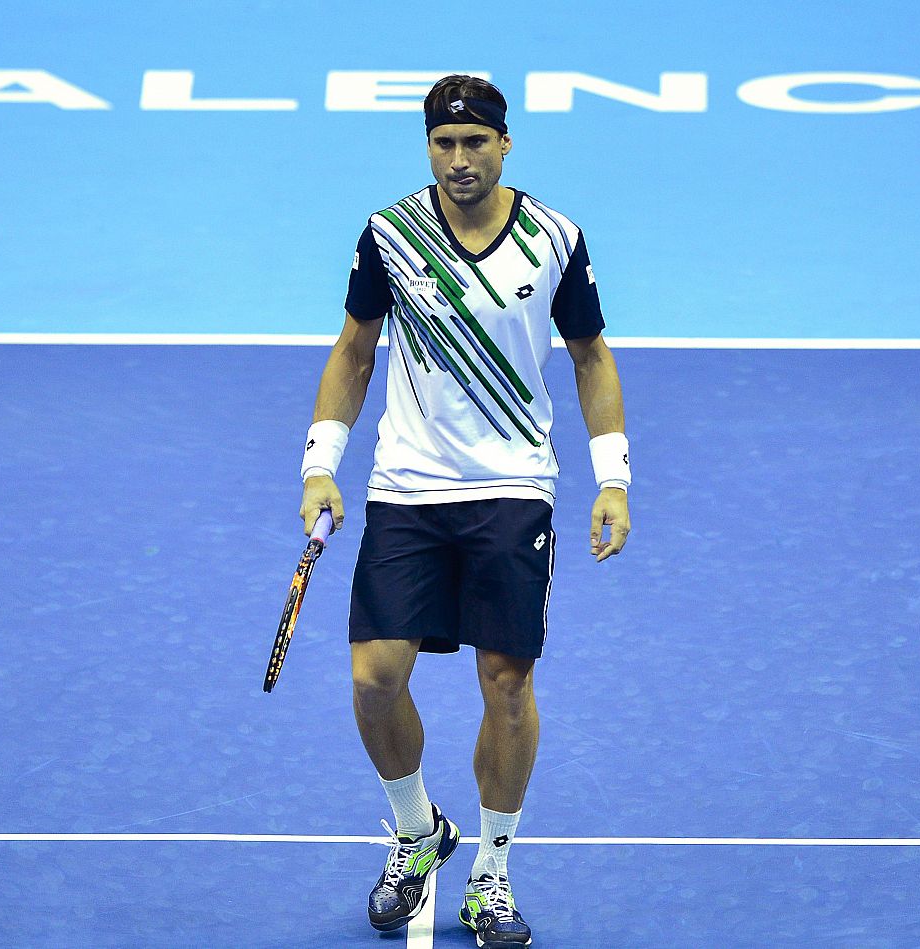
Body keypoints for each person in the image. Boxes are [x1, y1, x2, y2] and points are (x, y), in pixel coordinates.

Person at [297, 74, 631, 949]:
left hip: (513, 486)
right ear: (428, 149)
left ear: (504, 144)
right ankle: (416, 830)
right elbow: (354, 350)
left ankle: (491, 873)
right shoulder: (392, 234)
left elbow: (592, 357)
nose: (458, 160)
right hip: (407, 487)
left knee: (508, 683)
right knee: (374, 678)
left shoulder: (555, 238)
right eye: (443, 145)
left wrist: (613, 477)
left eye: (474, 142)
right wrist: (320, 464)